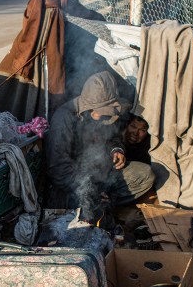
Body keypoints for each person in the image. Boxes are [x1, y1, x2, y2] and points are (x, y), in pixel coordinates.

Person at [46, 71, 155, 210]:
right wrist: (90, 191)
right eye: (101, 111)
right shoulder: (64, 119)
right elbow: (59, 170)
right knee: (90, 205)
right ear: (89, 105)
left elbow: (113, 138)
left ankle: (107, 202)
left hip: (101, 173)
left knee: (145, 175)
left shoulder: (102, 116)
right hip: (74, 183)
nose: (105, 115)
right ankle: (101, 204)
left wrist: (116, 150)